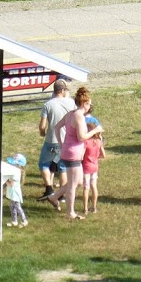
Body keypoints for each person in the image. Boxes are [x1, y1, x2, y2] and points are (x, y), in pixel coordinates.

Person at [44, 86, 103, 220]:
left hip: (68, 150)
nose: (90, 106)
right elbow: (82, 137)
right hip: (73, 153)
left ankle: (54, 197)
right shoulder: (79, 116)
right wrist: (96, 130)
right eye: (89, 103)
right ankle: (70, 212)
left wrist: (61, 143)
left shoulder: (71, 113)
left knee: (79, 181)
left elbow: (58, 127)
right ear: (84, 103)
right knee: (72, 184)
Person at [38, 78, 76, 199]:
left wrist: (42, 133)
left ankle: (49, 189)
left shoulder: (48, 105)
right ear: (63, 90)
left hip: (52, 140)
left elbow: (42, 125)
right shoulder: (71, 103)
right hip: (66, 141)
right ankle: (62, 195)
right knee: (63, 168)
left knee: (43, 164)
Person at [81, 114, 105, 215]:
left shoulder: (86, 142)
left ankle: (85, 208)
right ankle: (94, 207)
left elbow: (81, 156)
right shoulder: (99, 142)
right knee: (94, 186)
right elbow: (103, 155)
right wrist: (95, 157)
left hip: (86, 167)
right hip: (95, 167)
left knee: (86, 187)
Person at [5, 153, 28, 227]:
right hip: (12, 192)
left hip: (15, 193)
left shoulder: (16, 173)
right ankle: (14, 221)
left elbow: (11, 184)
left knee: (18, 207)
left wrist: (4, 179)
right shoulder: (15, 172)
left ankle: (24, 220)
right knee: (12, 207)